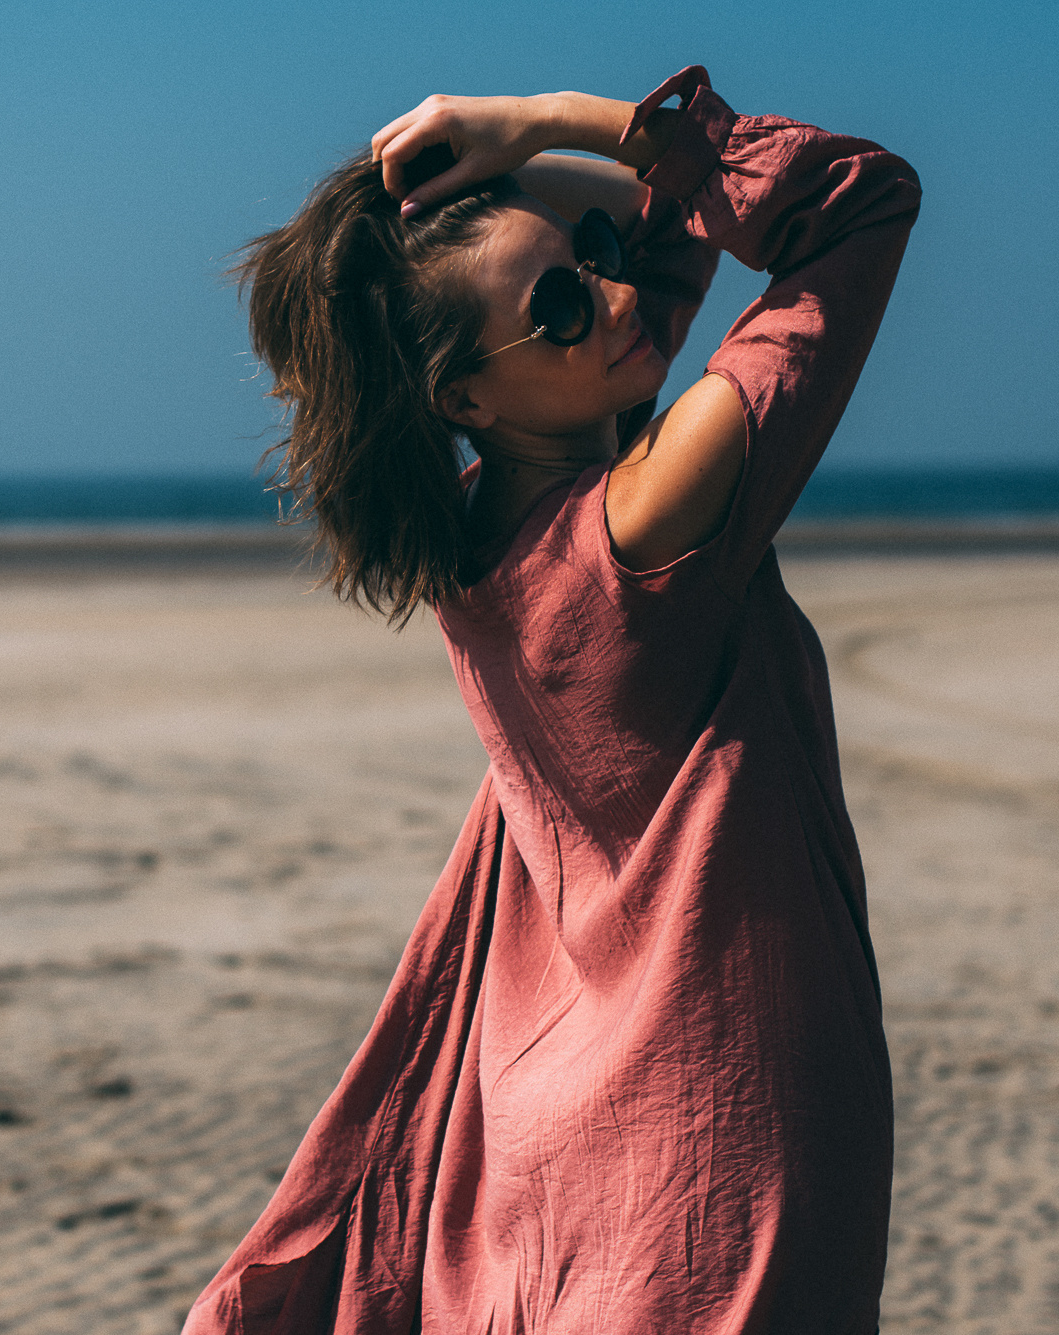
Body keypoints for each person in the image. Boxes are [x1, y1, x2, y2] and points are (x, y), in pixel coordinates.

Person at [184, 67, 919, 1334]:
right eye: (565, 306)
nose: (617, 294)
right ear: (463, 400)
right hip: (722, 1135)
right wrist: (544, 124)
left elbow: (655, 238)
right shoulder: (650, 513)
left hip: (567, 1118)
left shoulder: (472, 543)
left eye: (593, 257)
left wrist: (551, 234)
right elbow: (858, 204)